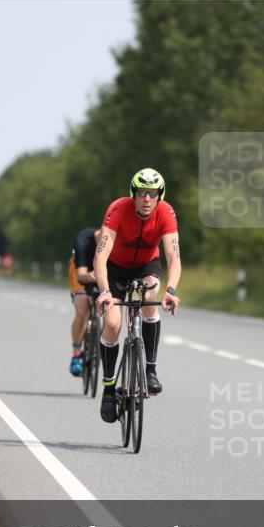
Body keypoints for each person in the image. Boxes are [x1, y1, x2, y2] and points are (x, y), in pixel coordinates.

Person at [94, 168, 181, 423]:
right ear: (134, 194)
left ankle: (150, 370)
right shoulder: (118, 209)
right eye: (142, 193)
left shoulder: (166, 212)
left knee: (150, 294)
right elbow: (100, 254)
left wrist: (171, 290)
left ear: (159, 196)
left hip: (146, 266)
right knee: (112, 324)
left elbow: (173, 257)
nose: (146, 199)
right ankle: (109, 389)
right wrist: (105, 292)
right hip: (115, 269)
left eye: (152, 194)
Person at [68, 227, 102, 376]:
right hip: (81, 271)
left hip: (100, 273)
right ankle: (76, 354)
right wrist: (97, 276)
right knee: (82, 308)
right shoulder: (84, 240)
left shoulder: (116, 243)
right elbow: (82, 276)